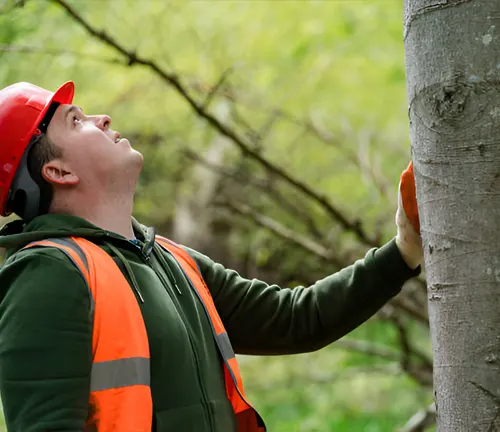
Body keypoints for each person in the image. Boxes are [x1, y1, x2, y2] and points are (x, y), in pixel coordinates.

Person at [0, 81, 423, 432]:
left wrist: (404, 250)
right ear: (58, 172)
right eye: (77, 121)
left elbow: (295, 320)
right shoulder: (47, 275)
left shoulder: (168, 260)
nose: (102, 118)